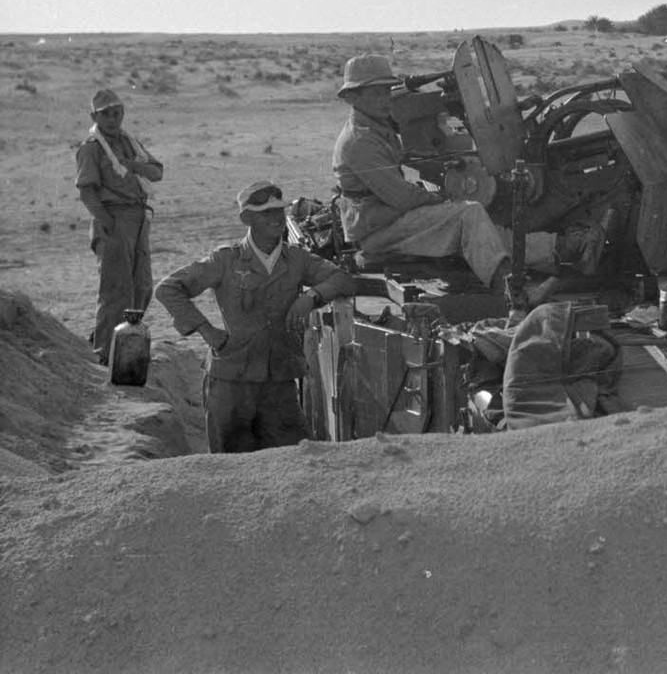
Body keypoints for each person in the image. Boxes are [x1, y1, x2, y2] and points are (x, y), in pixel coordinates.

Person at [155, 181, 357, 453]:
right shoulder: (226, 260)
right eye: (266, 213)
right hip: (232, 382)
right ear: (247, 218)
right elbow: (168, 289)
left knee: (291, 458)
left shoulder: (297, 259)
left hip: (279, 383)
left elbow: (343, 280)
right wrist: (207, 331)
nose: (276, 218)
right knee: (231, 463)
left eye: (279, 211)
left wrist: (309, 298)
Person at [331, 53, 511, 291]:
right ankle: (510, 292)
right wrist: (442, 199)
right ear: (351, 97)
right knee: (469, 213)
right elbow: (402, 197)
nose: (385, 99)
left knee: (477, 216)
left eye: (386, 91)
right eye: (375, 93)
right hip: (379, 232)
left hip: (385, 220)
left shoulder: (377, 126)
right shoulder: (360, 141)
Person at [75, 88, 164, 365]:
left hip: (138, 218)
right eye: (106, 114)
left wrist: (131, 165)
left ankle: (119, 342)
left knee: (142, 287)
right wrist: (108, 223)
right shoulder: (91, 148)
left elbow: (157, 172)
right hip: (114, 218)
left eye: (117, 113)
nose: (113, 119)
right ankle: (104, 352)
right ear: (94, 117)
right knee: (117, 290)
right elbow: (87, 191)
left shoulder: (129, 143)